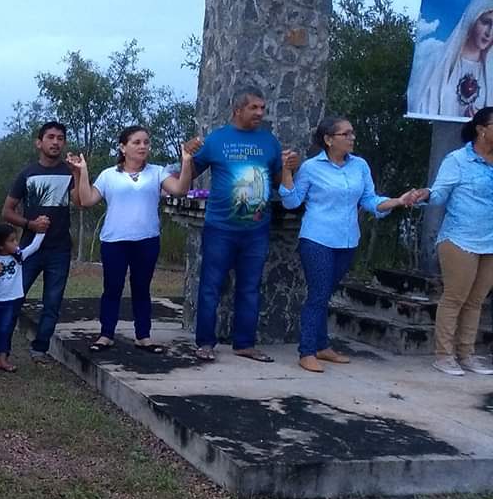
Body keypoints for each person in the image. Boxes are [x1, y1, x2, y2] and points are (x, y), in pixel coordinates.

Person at [279, 117, 419, 373]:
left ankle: (322, 346)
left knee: (326, 293)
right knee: (319, 294)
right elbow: (292, 201)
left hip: (347, 240)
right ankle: (307, 350)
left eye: (352, 133)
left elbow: (369, 200)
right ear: (328, 140)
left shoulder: (360, 166)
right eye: (345, 134)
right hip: (317, 239)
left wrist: (398, 201)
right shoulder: (311, 168)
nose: (352, 138)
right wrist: (286, 172)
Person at [72, 126, 202, 353]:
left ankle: (143, 335)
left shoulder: (157, 172)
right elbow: (86, 199)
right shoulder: (109, 175)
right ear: (123, 147)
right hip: (114, 241)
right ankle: (106, 334)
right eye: (137, 142)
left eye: (146, 142)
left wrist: (187, 161)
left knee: (141, 288)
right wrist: (82, 172)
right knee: (112, 287)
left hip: (147, 240)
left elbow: (180, 190)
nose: (143, 146)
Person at [191, 88, 284, 363]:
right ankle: (205, 343)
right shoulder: (217, 140)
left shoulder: (270, 142)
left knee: (250, 287)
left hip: (257, 229)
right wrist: (185, 157)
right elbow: (191, 171)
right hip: (220, 228)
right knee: (211, 286)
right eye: (254, 108)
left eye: (262, 108)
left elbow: (279, 180)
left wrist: (291, 166)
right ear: (237, 110)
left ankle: (244, 343)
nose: (260, 113)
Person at [413, 106, 493, 376]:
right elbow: (439, 193)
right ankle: (444, 355)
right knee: (455, 297)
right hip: (460, 239)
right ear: (482, 128)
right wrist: (424, 194)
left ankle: (466, 354)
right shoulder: (458, 160)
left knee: (476, 300)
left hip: (491, 241)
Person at [2, 121, 74, 364]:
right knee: (15, 298)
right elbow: (7, 211)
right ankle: (2, 349)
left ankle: (40, 349)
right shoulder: (27, 174)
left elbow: (82, 200)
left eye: (60, 138)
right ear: (39, 142)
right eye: (51, 137)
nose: (55, 142)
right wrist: (30, 225)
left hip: (60, 249)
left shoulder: (69, 172)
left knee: (52, 302)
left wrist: (80, 172)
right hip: (29, 248)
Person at [408, 0, 493, 119]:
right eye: (486, 22)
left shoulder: (489, 73)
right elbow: (419, 106)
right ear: (472, 19)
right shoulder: (438, 61)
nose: (489, 32)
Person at [0, 223, 46, 372]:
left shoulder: (18, 256)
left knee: (5, 329)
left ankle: (3, 358)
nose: (16, 243)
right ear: (0, 245)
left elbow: (34, 247)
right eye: (11, 240)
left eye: (15, 239)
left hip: (11, 300)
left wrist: (41, 231)